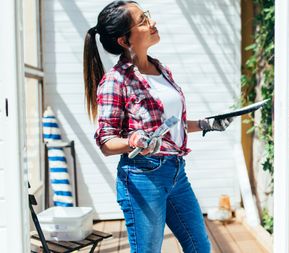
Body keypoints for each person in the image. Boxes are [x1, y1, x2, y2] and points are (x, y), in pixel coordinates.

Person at [83, 1, 234, 252]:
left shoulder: (161, 69)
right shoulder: (116, 80)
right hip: (142, 178)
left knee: (199, 247)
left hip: (176, 173)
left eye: (148, 16)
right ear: (124, 40)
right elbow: (106, 142)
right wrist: (134, 141)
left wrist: (208, 124)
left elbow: (167, 126)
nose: (152, 23)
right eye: (142, 21)